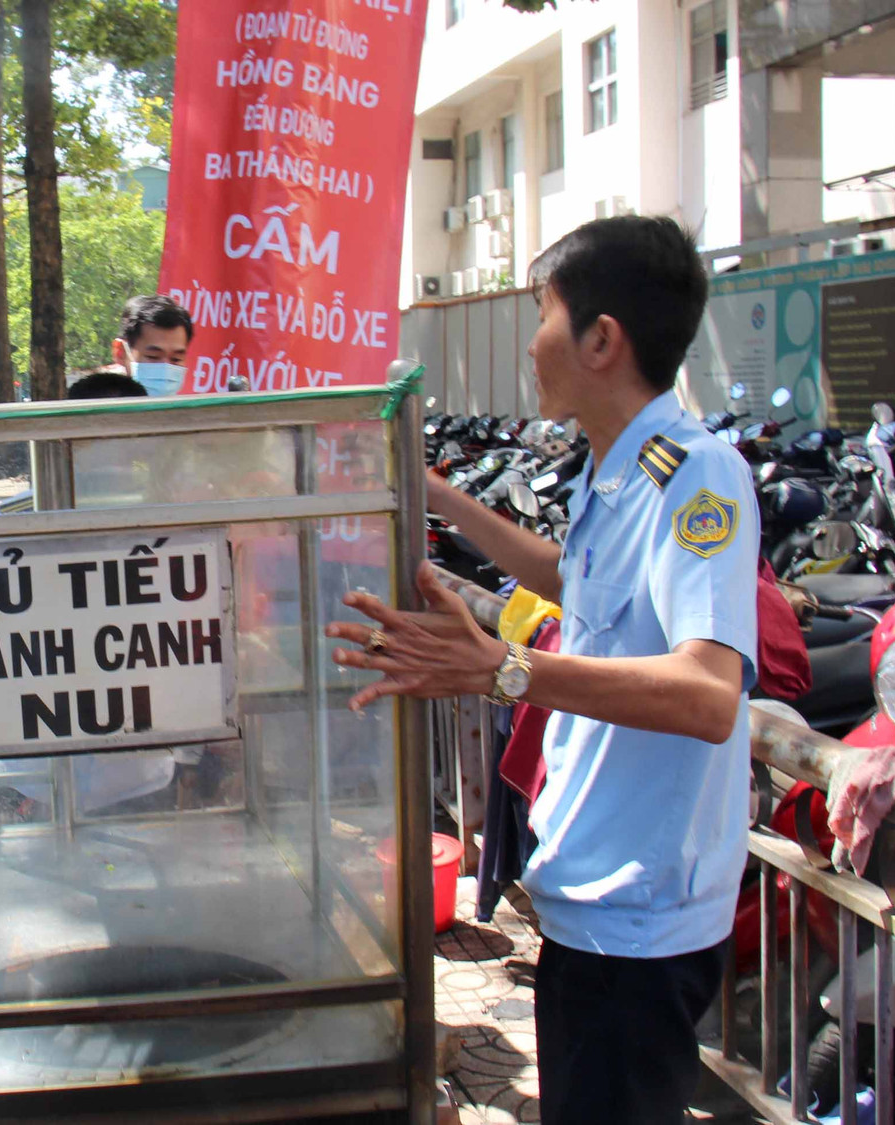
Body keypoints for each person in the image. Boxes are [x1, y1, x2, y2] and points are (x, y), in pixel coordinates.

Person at [326, 216, 754, 1125]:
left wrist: (501, 670)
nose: (532, 341)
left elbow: (711, 693)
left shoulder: (698, 479)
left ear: (603, 339)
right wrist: (436, 494)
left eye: (544, 312)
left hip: (640, 917)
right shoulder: (622, 469)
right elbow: (573, 579)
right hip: (587, 895)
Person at [110, 294, 193, 395]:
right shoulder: (94, 405)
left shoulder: (200, 410)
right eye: (153, 357)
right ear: (120, 353)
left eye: (176, 359)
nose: (165, 369)